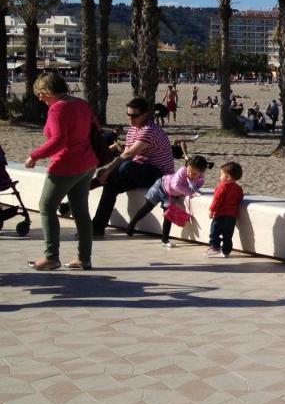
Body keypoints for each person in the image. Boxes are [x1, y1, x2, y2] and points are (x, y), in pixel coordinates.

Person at [23, 73, 99, 271]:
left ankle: (51, 257)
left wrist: (34, 156)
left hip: (67, 165)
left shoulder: (57, 109)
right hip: (87, 163)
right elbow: (94, 129)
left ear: (48, 91)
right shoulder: (81, 104)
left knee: (46, 206)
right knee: (81, 212)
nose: (39, 98)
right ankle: (84, 258)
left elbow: (58, 141)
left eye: (40, 93)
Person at [91, 97, 176, 238]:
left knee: (126, 166)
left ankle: (94, 183)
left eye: (134, 115)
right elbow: (125, 153)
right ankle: (97, 227)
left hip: (158, 175)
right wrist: (109, 171)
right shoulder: (132, 130)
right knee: (111, 185)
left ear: (145, 115)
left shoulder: (150, 130)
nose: (131, 119)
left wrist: (107, 170)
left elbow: (129, 154)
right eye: (128, 114)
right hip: (138, 171)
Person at [125, 155, 210, 247]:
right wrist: (190, 193)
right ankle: (132, 224)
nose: (190, 175)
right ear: (186, 167)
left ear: (201, 173)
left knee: (168, 215)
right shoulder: (182, 170)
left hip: (170, 195)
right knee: (147, 207)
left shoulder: (201, 180)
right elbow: (175, 185)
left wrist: (195, 191)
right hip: (160, 186)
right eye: (189, 172)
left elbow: (195, 188)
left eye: (194, 174)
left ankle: (165, 239)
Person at [206, 161, 244, 258]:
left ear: (228, 177)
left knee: (214, 232)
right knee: (228, 235)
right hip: (232, 216)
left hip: (221, 214)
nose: (220, 177)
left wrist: (211, 210)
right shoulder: (239, 189)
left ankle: (215, 248)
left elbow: (217, 199)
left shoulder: (222, 186)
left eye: (221, 175)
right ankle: (226, 251)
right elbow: (239, 200)